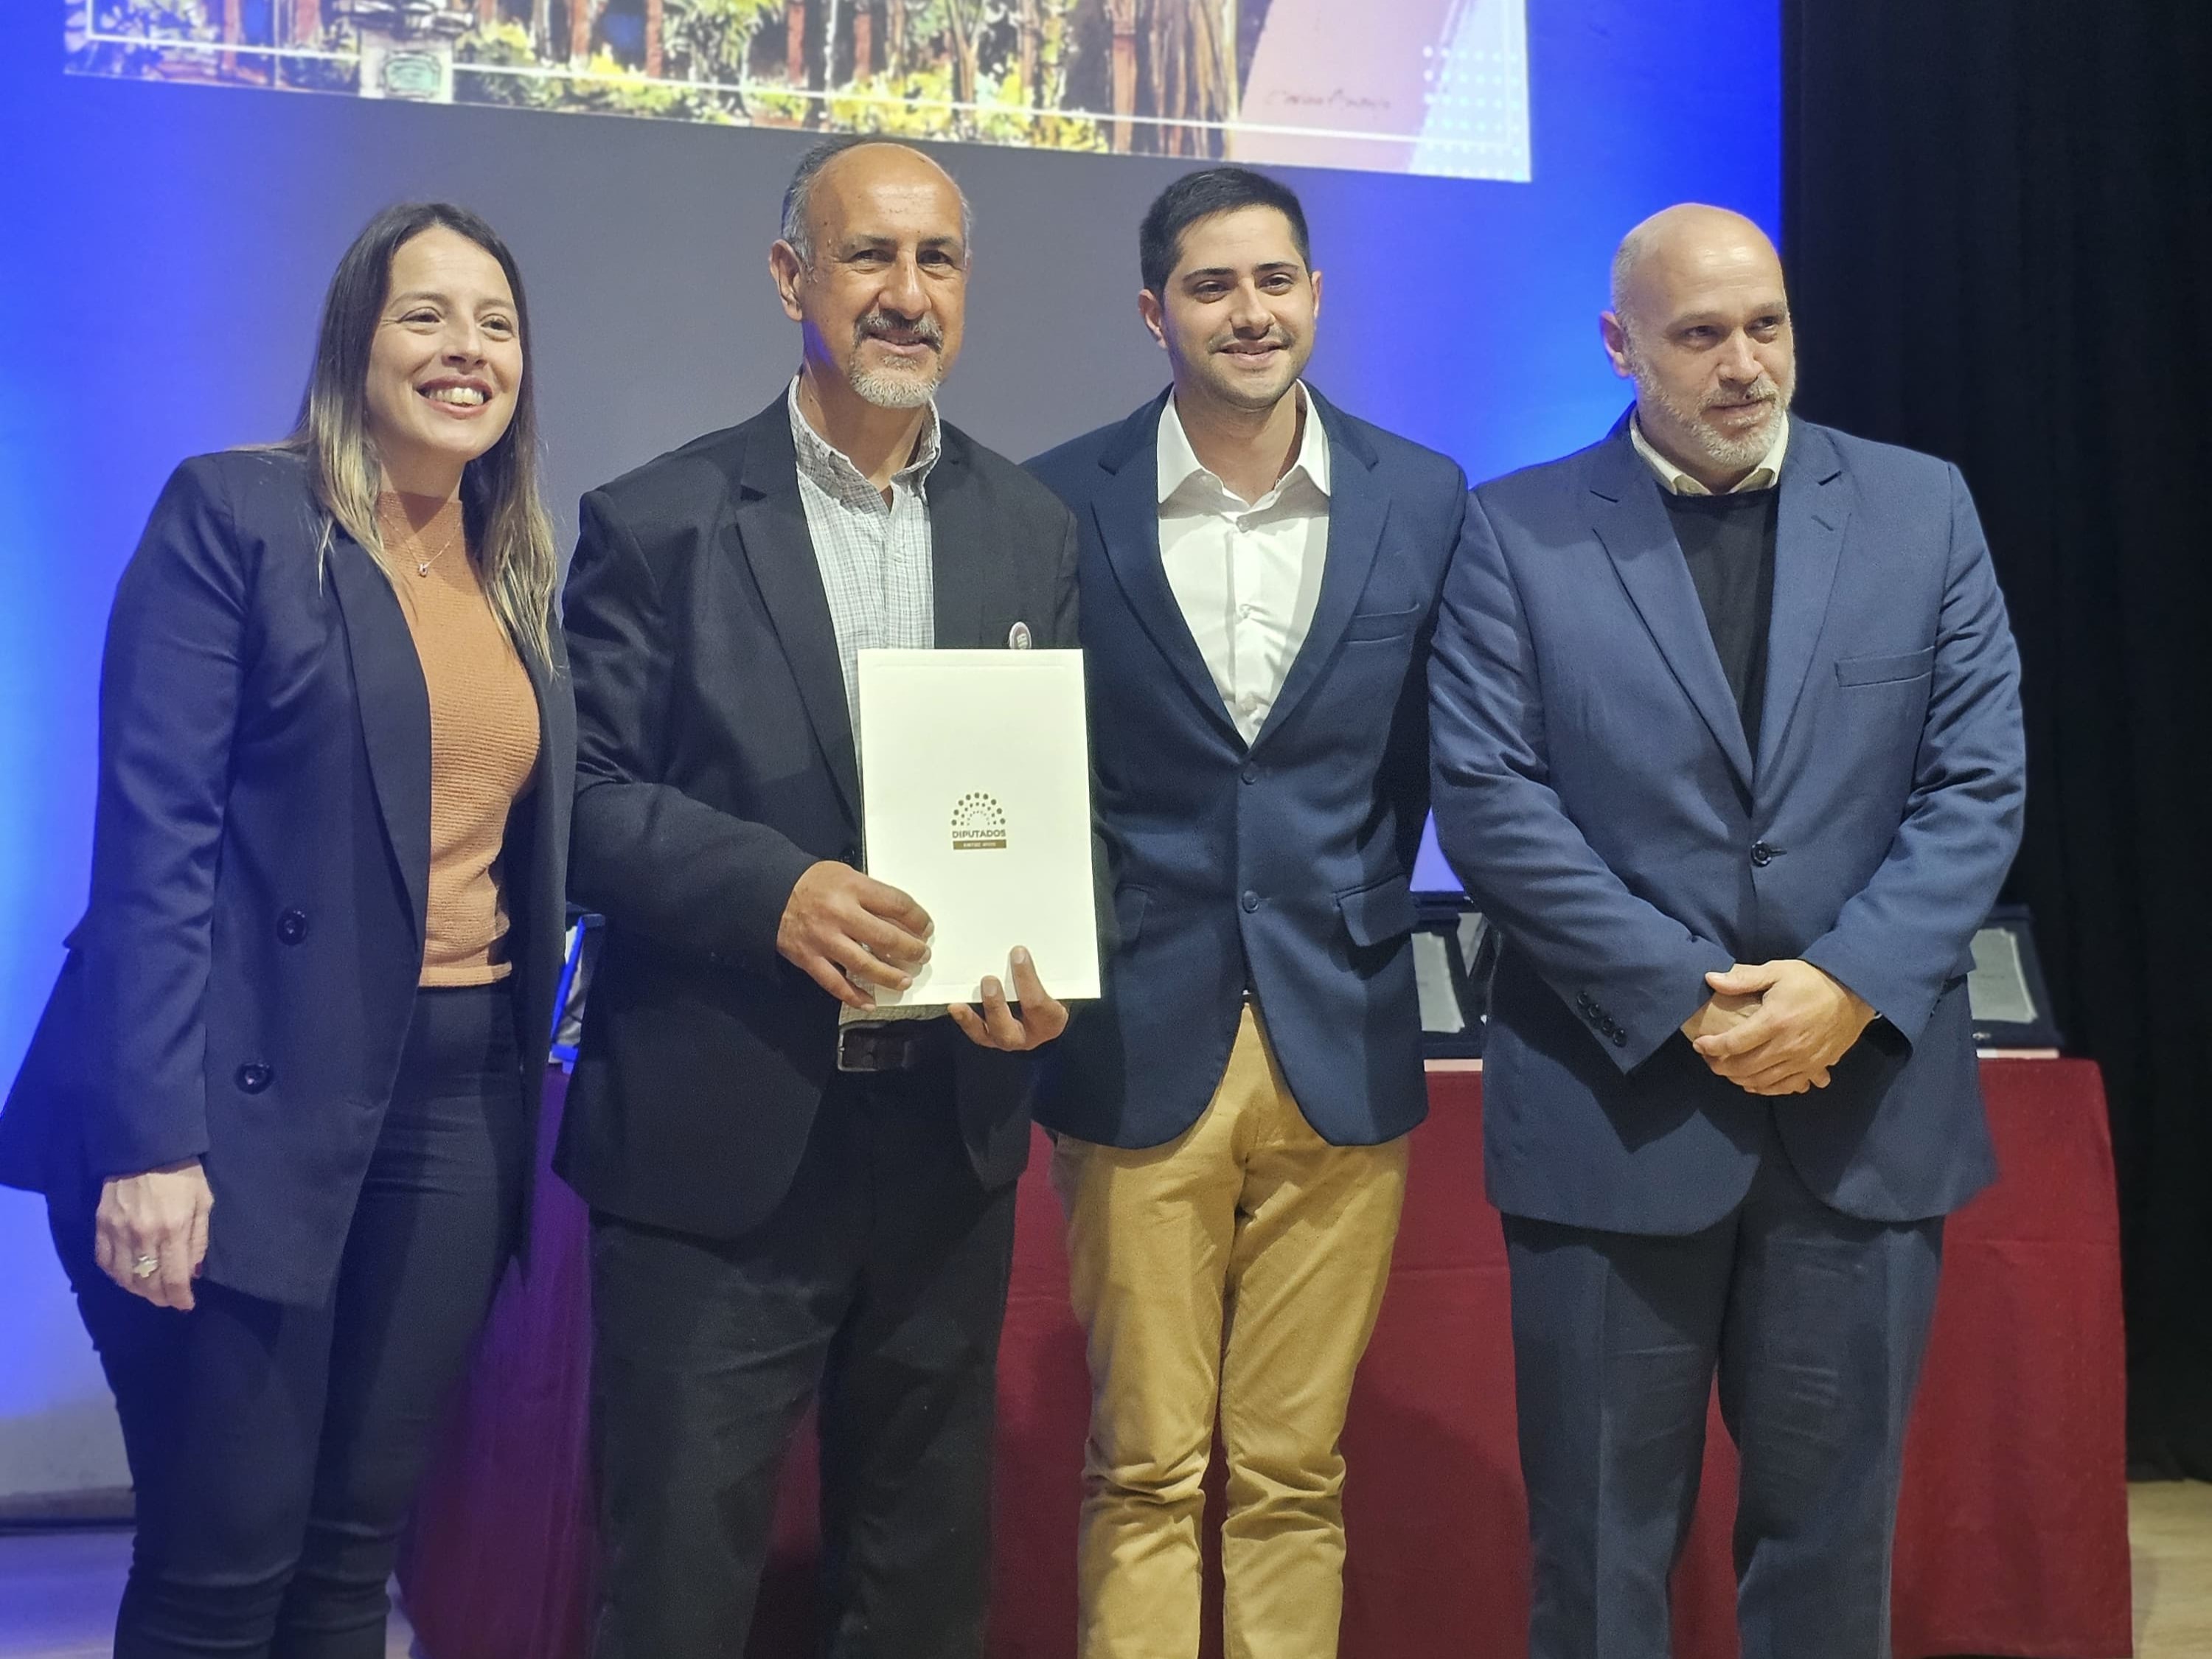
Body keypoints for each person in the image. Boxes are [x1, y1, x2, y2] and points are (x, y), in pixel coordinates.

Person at [1427, 203, 2027, 1658]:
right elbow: (1494, 806)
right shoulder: (1513, 530)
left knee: (1835, 1547)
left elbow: (1978, 785)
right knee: (1596, 1548)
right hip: (1613, 1111)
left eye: (1767, 324)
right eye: (1701, 334)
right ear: (1620, 345)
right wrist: (1695, 998)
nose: (1746, 362)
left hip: (1862, 1109)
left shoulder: (1924, 507)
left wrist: (1845, 987)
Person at [0, 201, 574, 1658]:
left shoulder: (512, 566)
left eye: (495, 323)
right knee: (224, 1566)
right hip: (228, 1112)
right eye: (426, 315)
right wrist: (152, 1141)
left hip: (448, 1111)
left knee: (346, 1562)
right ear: (354, 343)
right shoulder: (240, 514)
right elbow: (156, 842)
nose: (467, 350)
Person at [557, 136, 1078, 1659]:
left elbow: (1050, 799)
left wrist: (1045, 957)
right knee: (678, 1589)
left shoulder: (1031, 530)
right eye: (869, 257)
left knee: (920, 1586)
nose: (906, 294)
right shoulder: (656, 520)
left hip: (944, 1141)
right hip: (720, 1148)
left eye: (938, 262)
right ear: (793, 276)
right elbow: (575, 801)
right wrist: (771, 889)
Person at [1025, 166, 1470, 1659]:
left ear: (1318, 295)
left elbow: (1437, 759)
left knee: (1292, 1473)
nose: (1250, 312)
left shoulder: (1423, 495)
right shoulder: (1054, 499)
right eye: (1212, 287)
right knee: (1145, 1467)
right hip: (1132, 1039)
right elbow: (1039, 773)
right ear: (1154, 312)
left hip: (1341, 1034)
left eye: (1275, 280)